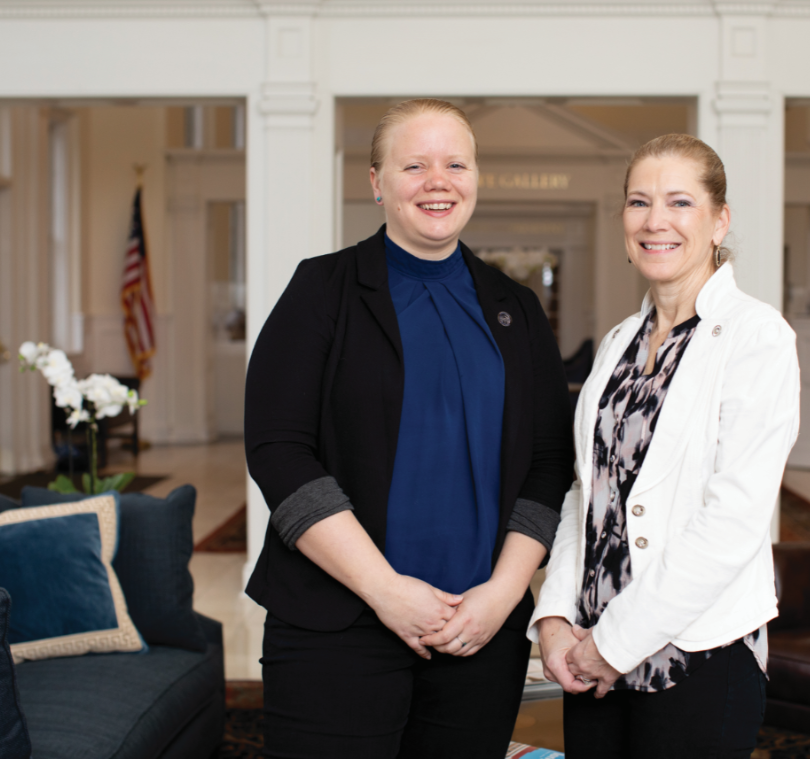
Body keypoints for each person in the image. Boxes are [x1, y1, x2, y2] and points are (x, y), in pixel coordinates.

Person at [243, 98, 575, 759]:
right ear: (377, 181)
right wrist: (385, 590)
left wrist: (503, 596)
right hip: (338, 624)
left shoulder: (516, 308)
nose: (437, 180)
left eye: (455, 163)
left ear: (475, 177)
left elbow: (548, 460)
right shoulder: (321, 289)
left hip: (478, 632)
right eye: (414, 164)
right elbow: (279, 451)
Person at [530, 134, 800, 759]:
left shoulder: (757, 338)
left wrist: (613, 644)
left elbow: (731, 524)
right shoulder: (620, 340)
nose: (656, 222)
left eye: (679, 202)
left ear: (718, 220)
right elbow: (587, 490)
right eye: (638, 202)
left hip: (697, 654)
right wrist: (553, 616)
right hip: (590, 653)